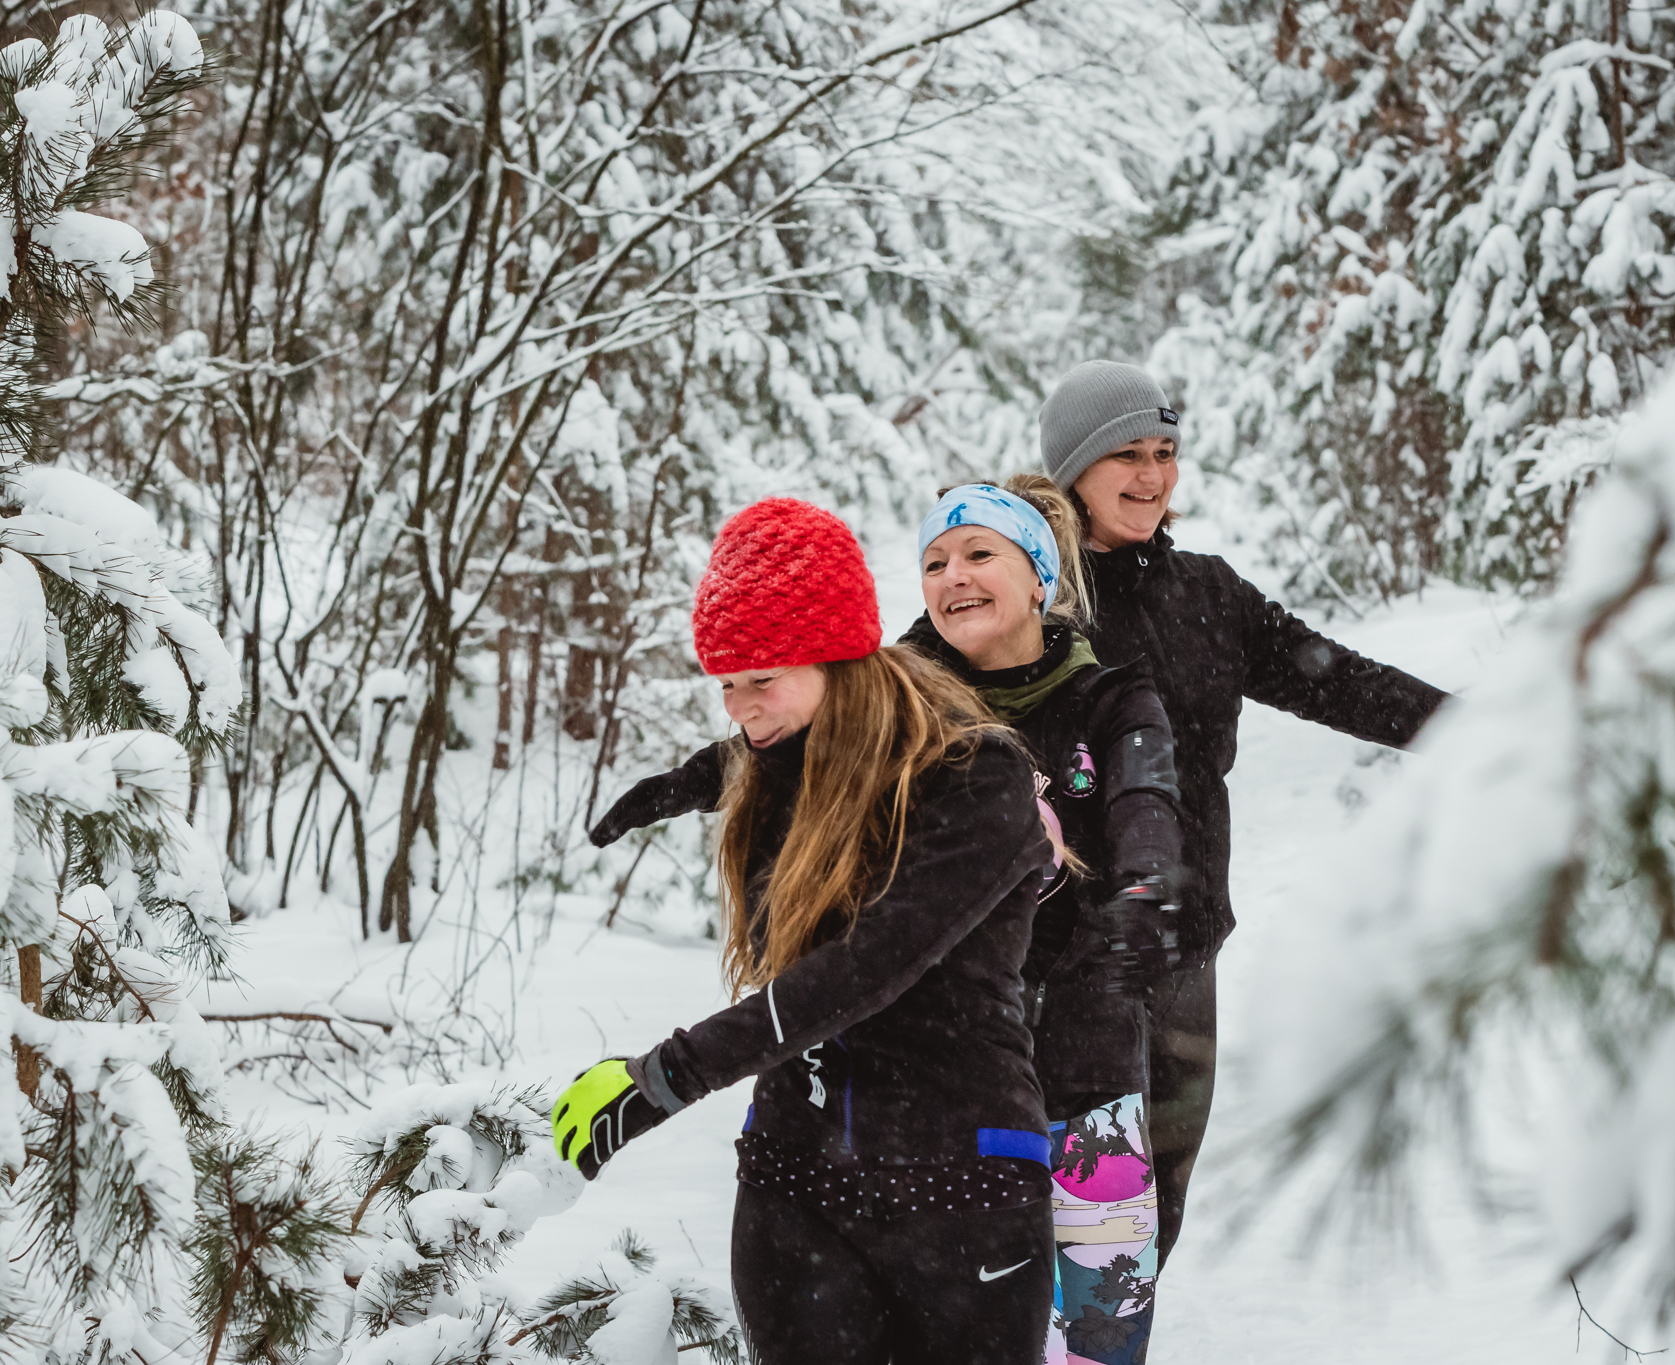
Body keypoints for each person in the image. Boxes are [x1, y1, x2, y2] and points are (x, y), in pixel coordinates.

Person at [557, 497, 1057, 1365]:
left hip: (963, 1187)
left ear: (840, 660)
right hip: (797, 1184)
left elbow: (870, 967)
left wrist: (670, 1073)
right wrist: (686, 780)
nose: (744, 711)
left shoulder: (980, 777)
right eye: (727, 682)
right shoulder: (782, 759)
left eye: (764, 677)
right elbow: (757, 753)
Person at [1021, 360, 1450, 1271]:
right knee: (1047, 1212)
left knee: (1151, 1211)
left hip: (1182, 951)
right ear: (1072, 471)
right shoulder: (1024, 595)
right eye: (1126, 455)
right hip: (1050, 963)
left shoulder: (1208, 594)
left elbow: (1336, 677)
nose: (1153, 475)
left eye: (1165, 451)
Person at [911, 477, 1182, 1365]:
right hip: (945, 1078)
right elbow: (790, 739)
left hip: (1086, 1059)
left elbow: (1147, 797)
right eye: (934, 562)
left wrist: (1140, 893)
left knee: (1102, 1331)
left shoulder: (1112, 697)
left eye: (979, 552)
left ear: (1039, 575)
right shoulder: (896, 705)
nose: (953, 575)